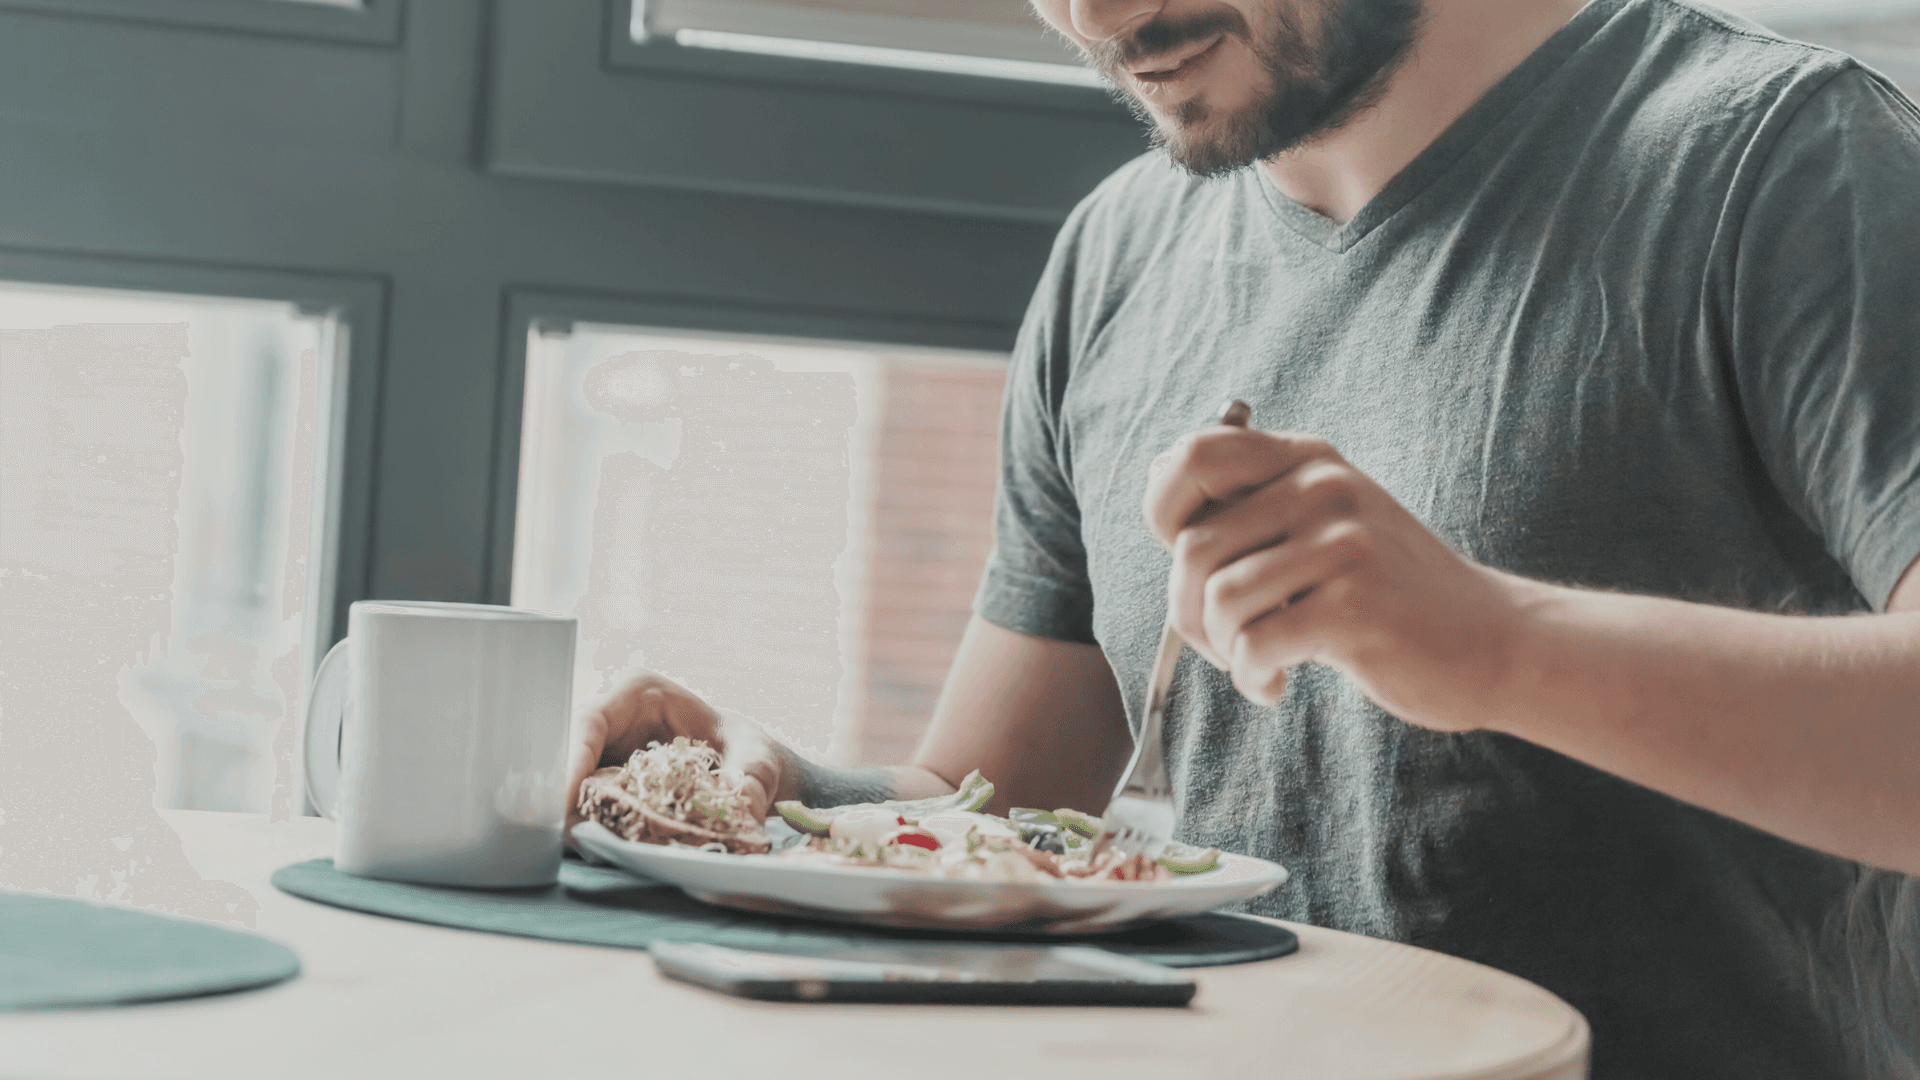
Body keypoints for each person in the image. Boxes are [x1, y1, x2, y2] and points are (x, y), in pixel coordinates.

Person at [567, 0, 1920, 1074]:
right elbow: (1009, 806)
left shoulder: (1785, 161)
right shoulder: (1119, 255)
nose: (1101, 17)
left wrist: (1494, 644)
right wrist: (787, 794)